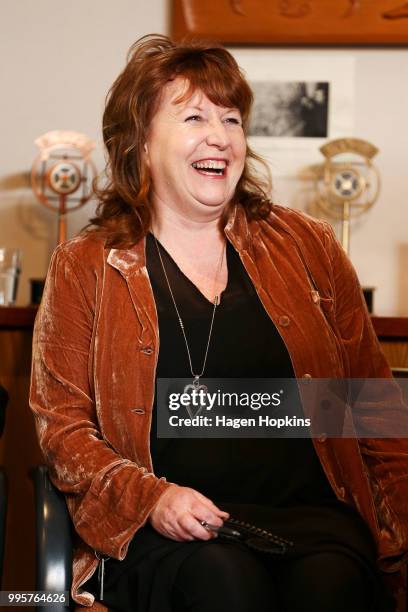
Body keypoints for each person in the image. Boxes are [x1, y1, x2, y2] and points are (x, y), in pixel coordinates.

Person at [30, 34, 408, 612]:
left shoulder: (308, 246)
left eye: (232, 118)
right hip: (165, 534)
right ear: (139, 142)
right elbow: (63, 431)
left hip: (312, 527)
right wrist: (151, 500)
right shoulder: (85, 266)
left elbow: (374, 408)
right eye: (194, 117)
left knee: (330, 587)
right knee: (225, 584)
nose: (220, 135)